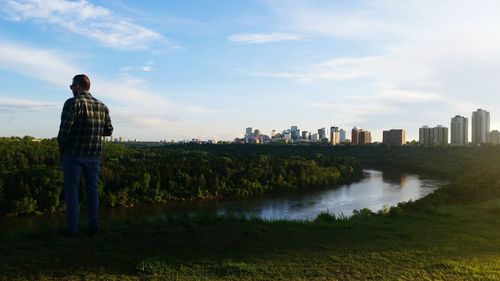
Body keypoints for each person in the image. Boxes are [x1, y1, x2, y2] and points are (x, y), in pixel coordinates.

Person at [57, 74, 113, 236]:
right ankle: (94, 227)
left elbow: (64, 132)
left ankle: (72, 230)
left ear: (78, 86)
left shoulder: (72, 103)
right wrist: (94, 131)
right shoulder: (102, 106)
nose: (71, 89)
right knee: (92, 191)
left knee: (72, 191)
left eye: (72, 86)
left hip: (72, 155)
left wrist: (62, 149)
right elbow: (108, 131)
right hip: (93, 155)